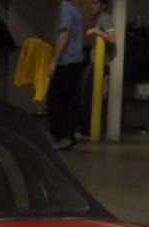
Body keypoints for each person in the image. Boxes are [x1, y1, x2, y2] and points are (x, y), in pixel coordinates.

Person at [47, 0, 83, 150]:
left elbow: (65, 34)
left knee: (55, 99)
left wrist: (54, 60)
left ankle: (61, 136)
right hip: (77, 61)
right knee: (69, 101)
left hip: (66, 62)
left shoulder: (66, 9)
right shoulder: (75, 9)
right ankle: (69, 135)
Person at [80, 0, 117, 136]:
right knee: (88, 95)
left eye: (95, 3)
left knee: (88, 96)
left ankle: (88, 131)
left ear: (103, 6)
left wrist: (96, 30)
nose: (92, 6)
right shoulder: (99, 18)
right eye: (92, 3)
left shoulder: (105, 18)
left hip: (99, 64)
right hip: (95, 62)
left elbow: (112, 38)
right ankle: (88, 129)